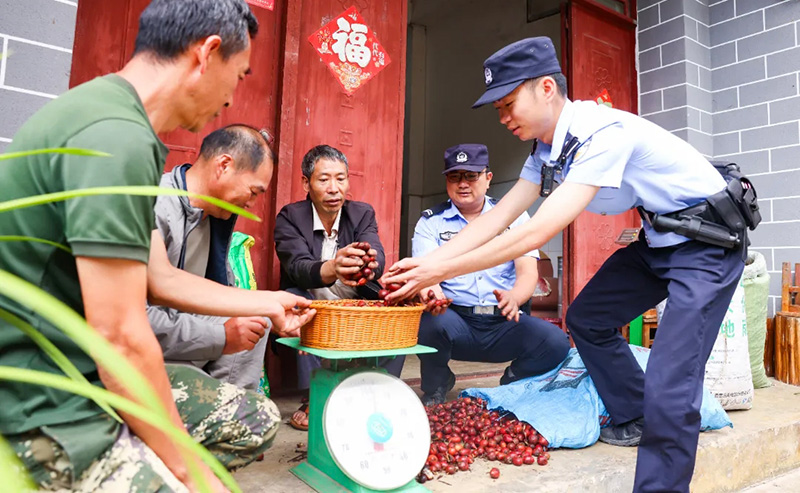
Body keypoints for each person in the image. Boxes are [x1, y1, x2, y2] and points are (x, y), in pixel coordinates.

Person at [383, 36, 749, 493]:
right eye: (497, 107)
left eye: (508, 103)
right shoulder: (545, 150)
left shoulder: (603, 133)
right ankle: (634, 415)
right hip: (661, 243)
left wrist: (438, 272)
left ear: (546, 89)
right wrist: (424, 264)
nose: (503, 117)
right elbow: (501, 216)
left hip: (707, 248)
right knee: (588, 319)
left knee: (671, 382)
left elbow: (533, 234)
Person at [0, 0, 313, 492]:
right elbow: (122, 336)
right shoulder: (117, 138)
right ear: (206, 54)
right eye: (238, 75)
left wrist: (271, 299)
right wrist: (184, 469)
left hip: (80, 371)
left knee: (252, 420)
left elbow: (159, 277)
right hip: (39, 396)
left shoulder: (116, 121)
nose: (232, 100)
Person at [412, 143, 570, 406]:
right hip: (454, 320)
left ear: (488, 178)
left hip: (503, 321)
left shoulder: (514, 217)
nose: (463, 184)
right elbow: (426, 275)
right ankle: (437, 384)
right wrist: (431, 293)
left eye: (471, 176)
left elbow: (528, 272)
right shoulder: (431, 222)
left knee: (556, 342)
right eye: (454, 176)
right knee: (427, 324)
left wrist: (515, 298)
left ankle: (513, 377)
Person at [274, 144, 404, 429]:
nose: (334, 188)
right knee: (297, 303)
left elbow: (378, 257)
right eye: (323, 180)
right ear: (306, 183)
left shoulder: (361, 213)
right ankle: (313, 397)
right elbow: (296, 266)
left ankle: (380, 390)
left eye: (341, 178)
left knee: (395, 313)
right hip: (309, 296)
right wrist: (333, 266)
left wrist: (369, 262)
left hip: (352, 298)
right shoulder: (290, 217)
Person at [147, 124, 283, 391]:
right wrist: (221, 335)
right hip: (141, 348)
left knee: (256, 321)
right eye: (253, 192)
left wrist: (272, 307)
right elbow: (137, 318)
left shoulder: (216, 216)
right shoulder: (153, 205)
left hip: (184, 333)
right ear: (224, 165)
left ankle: (234, 408)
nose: (252, 205)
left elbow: (222, 296)